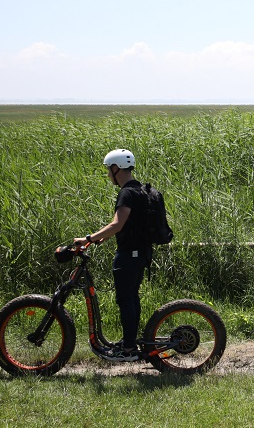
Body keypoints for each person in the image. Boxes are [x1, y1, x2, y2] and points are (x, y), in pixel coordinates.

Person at [74, 149, 151, 361]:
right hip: (140, 254)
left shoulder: (127, 193)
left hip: (128, 256)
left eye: (109, 170)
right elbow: (129, 225)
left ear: (116, 168)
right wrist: (105, 237)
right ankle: (129, 343)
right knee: (131, 299)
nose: (109, 175)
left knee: (126, 300)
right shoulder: (140, 189)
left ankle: (127, 350)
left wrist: (88, 238)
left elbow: (117, 224)